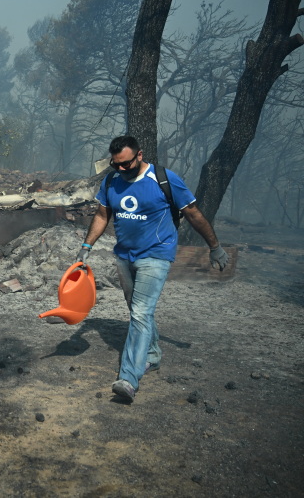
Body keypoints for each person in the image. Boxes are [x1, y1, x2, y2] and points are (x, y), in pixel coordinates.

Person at [77, 135, 228, 402]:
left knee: (140, 313)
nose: (121, 170)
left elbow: (193, 213)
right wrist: (86, 247)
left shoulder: (164, 180)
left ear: (139, 155)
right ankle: (152, 355)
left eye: (126, 164)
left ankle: (128, 378)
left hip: (156, 254)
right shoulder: (111, 181)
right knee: (137, 310)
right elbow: (102, 215)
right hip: (124, 255)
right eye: (116, 164)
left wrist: (214, 247)